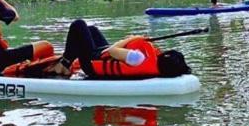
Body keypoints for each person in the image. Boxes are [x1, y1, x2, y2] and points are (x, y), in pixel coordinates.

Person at [48, 19, 191, 79]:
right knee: (91, 30)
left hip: (91, 65)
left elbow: (112, 51)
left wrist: (131, 39)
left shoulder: (138, 58)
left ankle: (64, 65)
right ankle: (66, 62)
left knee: (78, 25)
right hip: (101, 59)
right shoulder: (151, 65)